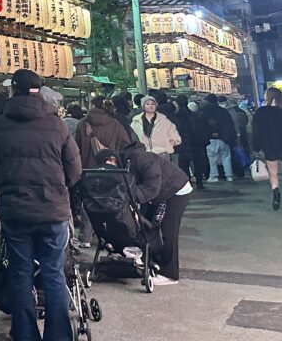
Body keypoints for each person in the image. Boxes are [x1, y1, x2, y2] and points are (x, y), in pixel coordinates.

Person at [0, 69, 81, 341]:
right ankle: (58, 336)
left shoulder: (0, 125)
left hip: (16, 212)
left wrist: (6, 188)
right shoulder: (57, 124)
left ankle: (25, 335)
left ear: (13, 90)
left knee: (20, 274)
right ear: (40, 90)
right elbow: (74, 169)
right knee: (53, 273)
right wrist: (58, 187)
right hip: (53, 211)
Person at [96, 141, 192, 285]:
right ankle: (153, 262)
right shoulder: (123, 166)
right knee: (147, 226)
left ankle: (170, 274)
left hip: (176, 189)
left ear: (111, 159)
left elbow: (152, 186)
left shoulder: (141, 158)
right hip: (159, 193)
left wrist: (130, 198)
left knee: (168, 230)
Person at [250, 87, 282, 212]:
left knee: (273, 173)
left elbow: (256, 131)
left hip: (270, 145)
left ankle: (276, 193)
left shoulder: (261, 112)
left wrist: (256, 146)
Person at [75, 95, 131, 168]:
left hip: (87, 168)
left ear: (92, 106)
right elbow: (126, 145)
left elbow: (76, 147)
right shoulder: (115, 124)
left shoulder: (82, 124)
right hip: (109, 167)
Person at [198, 94, 238, 181]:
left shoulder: (204, 111)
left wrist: (210, 133)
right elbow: (229, 124)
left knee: (212, 158)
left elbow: (202, 125)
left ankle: (214, 176)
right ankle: (229, 175)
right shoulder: (223, 111)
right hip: (224, 138)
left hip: (211, 138)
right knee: (226, 157)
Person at [174, 95, 209, 188]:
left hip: (182, 144)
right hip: (195, 143)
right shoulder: (194, 116)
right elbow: (200, 129)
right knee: (198, 163)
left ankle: (187, 183)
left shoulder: (175, 117)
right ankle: (199, 182)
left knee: (184, 165)